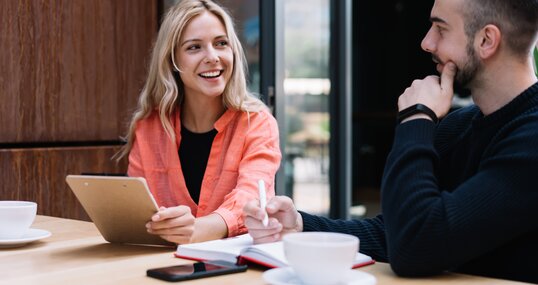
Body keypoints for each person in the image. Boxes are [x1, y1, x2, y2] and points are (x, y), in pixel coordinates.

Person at [243, 0, 538, 282]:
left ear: (487, 40)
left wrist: (415, 119)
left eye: (441, 28)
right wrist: (301, 226)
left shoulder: (530, 140)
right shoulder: (461, 126)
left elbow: (415, 246)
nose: (427, 42)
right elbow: (395, 233)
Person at [117, 0, 281, 245]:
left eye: (221, 43)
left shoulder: (258, 123)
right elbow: (137, 212)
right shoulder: (149, 127)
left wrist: (194, 229)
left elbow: (250, 200)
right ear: (172, 60)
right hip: (162, 269)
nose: (213, 57)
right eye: (195, 47)